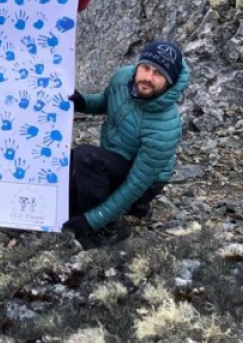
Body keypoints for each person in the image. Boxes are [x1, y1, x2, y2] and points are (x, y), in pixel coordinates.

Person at [62, 40, 190, 247]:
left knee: (86, 158)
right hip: (115, 159)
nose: (148, 77)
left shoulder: (165, 126)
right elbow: (105, 101)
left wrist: (92, 220)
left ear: (170, 82)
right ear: (138, 66)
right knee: (66, 164)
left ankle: (109, 229)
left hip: (145, 181)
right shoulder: (122, 79)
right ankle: (127, 207)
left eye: (158, 74)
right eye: (146, 68)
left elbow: (135, 184)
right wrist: (82, 101)